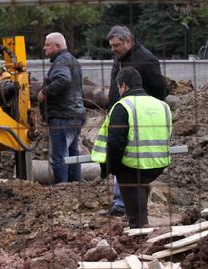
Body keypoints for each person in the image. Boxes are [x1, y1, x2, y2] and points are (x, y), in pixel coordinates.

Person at [91, 67, 172, 229]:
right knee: (141, 186)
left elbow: (115, 142)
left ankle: (139, 228)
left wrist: (112, 168)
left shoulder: (123, 106)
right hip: (158, 164)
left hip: (132, 167)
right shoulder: (162, 105)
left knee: (132, 190)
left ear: (123, 86)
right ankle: (140, 219)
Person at [103, 25, 168, 217]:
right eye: (111, 46)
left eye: (116, 45)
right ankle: (121, 204)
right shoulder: (120, 58)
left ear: (128, 41)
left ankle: (131, 210)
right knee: (122, 159)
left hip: (136, 120)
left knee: (131, 164)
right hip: (119, 115)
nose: (113, 49)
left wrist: (143, 109)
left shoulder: (146, 59)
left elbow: (160, 90)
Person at [37, 32, 85, 184]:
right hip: (75, 115)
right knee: (73, 155)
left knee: (59, 157)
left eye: (47, 45)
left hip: (62, 116)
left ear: (57, 46)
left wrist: (44, 91)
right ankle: (74, 187)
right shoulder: (72, 60)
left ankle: (61, 189)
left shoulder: (61, 62)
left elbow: (63, 79)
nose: (44, 48)